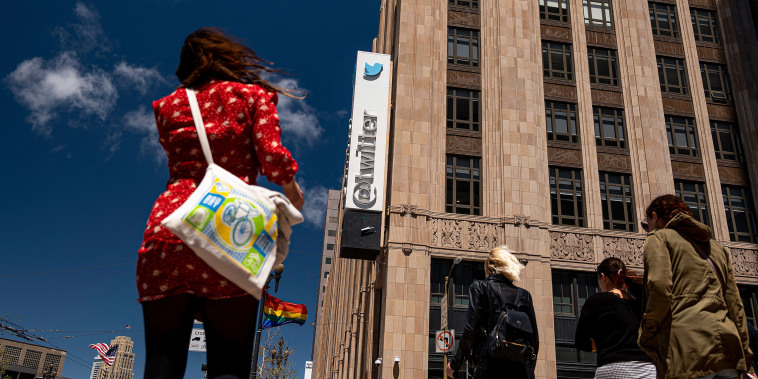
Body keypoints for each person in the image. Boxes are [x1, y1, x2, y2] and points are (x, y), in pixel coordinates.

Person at [136, 28, 305, 379]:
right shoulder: (252, 96)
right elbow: (272, 158)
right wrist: (292, 189)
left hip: (171, 226)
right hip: (229, 231)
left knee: (161, 359)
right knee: (229, 364)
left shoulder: (167, 107)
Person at [639, 194, 755, 379]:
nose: (647, 229)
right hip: (726, 348)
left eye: (646, 224)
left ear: (654, 216)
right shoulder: (718, 248)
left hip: (687, 347)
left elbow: (659, 287)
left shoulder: (659, 238)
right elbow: (735, 306)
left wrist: (649, 329)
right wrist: (746, 360)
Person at [446, 246, 539, 379]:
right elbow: (534, 339)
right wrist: (529, 367)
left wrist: (456, 364)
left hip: (489, 365)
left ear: (490, 267)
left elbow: (471, 329)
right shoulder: (525, 295)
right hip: (521, 368)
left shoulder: (480, 288)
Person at [575, 257, 656, 378]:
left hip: (612, 368)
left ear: (603, 276)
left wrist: (598, 344)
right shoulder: (641, 304)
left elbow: (580, 341)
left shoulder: (596, 301)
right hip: (646, 369)